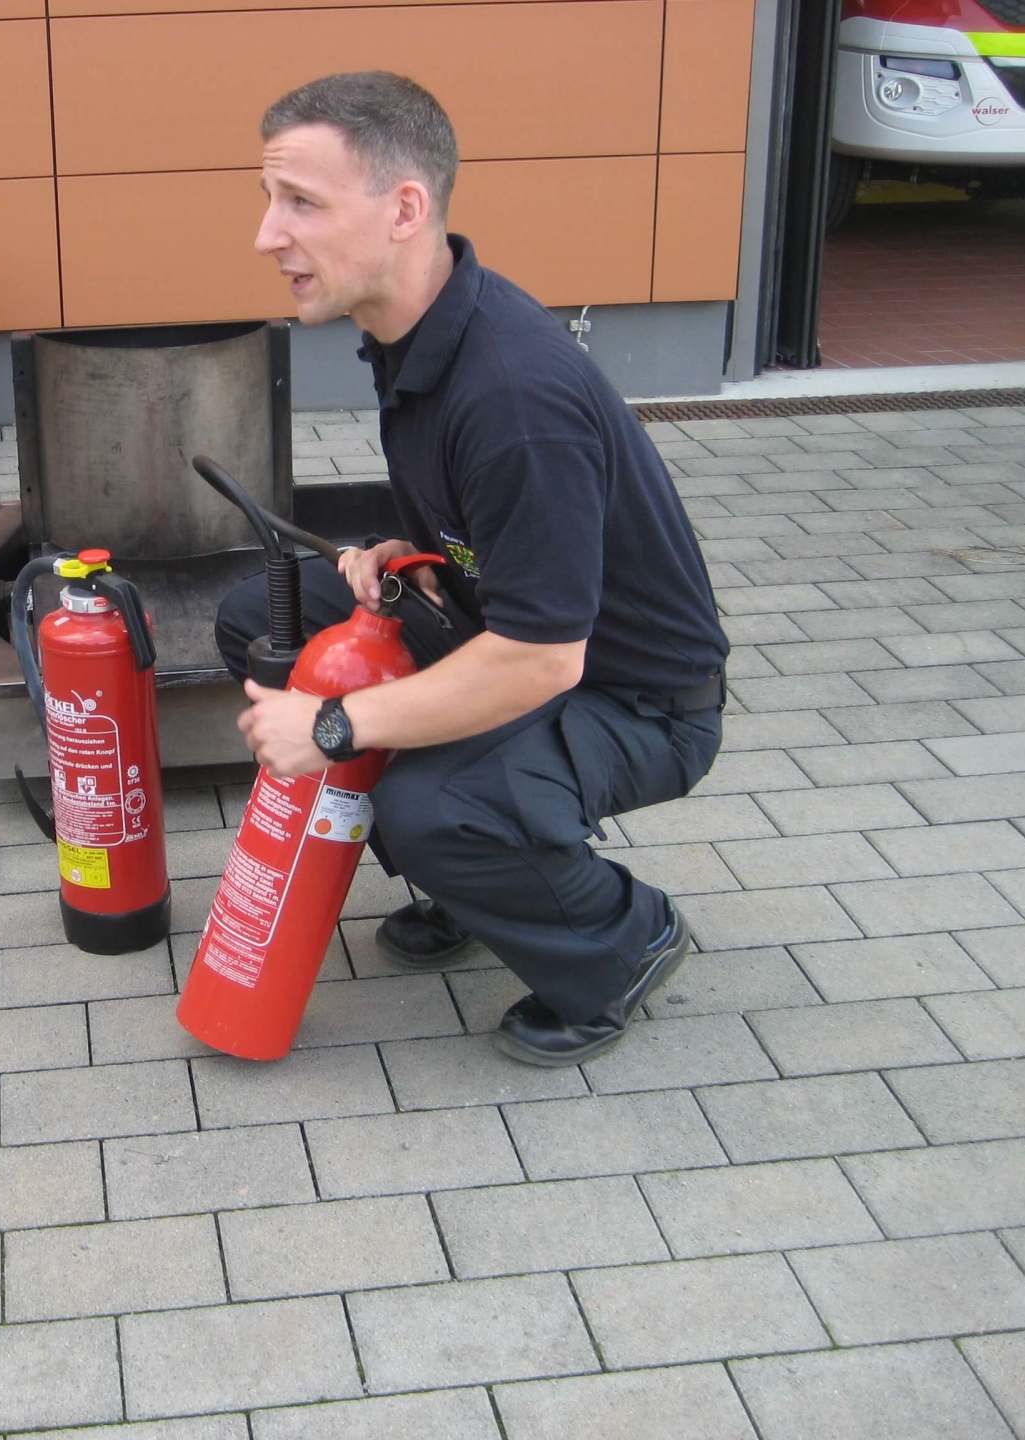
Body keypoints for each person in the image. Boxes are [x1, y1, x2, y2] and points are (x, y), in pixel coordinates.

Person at [215, 71, 730, 1066]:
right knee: (268, 624)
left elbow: (541, 661)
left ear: (405, 209)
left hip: (635, 698)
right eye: (270, 199)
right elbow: (481, 536)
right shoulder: (421, 327)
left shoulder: (513, 398)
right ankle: (468, 884)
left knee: (432, 803)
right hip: (516, 627)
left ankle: (620, 941)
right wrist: (395, 559)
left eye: (302, 203)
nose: (268, 235)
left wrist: (334, 725)